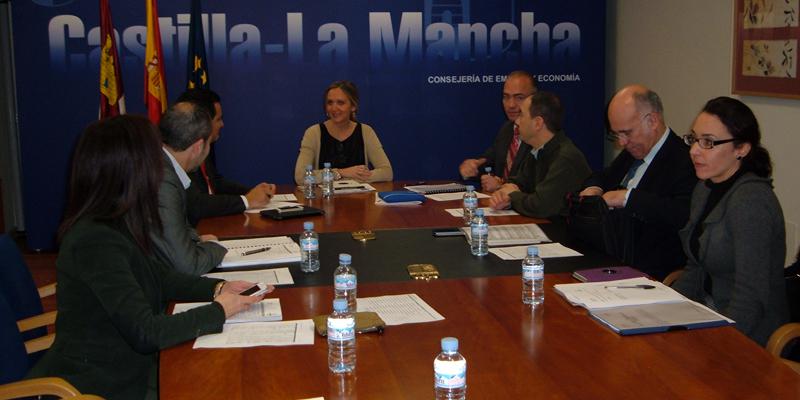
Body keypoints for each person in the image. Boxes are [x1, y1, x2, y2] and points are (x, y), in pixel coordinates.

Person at [26, 115, 264, 399]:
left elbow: (158, 277)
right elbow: (146, 332)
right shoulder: (95, 240)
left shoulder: (118, 221)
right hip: (102, 384)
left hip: (131, 368)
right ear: (131, 171)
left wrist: (218, 288)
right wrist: (219, 311)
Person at [671, 97, 788, 346]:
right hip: (708, 312)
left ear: (741, 148)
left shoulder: (751, 201)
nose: (694, 150)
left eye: (708, 142)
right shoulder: (705, 188)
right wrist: (663, 313)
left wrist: (720, 345)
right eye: (694, 139)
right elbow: (695, 267)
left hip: (749, 333)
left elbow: (750, 296)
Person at [579, 85, 696, 280]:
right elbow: (603, 176)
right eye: (616, 134)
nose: (622, 143)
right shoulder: (633, 151)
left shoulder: (684, 160)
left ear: (652, 121)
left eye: (627, 133)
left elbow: (680, 214)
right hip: (609, 256)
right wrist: (594, 188)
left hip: (650, 268)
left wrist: (627, 198)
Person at [176, 89, 276, 226]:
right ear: (203, 122)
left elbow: (216, 183)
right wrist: (246, 200)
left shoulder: (202, 148)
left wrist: (252, 192)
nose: (222, 124)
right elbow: (196, 203)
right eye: (218, 119)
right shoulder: (184, 154)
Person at [152, 101, 227, 275]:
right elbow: (188, 265)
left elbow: (176, 230)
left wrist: (195, 239)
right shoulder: (163, 180)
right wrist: (215, 247)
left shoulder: (160, 164)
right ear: (199, 147)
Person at [489, 92, 591, 218]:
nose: (517, 121)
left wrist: (512, 196)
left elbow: (540, 206)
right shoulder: (537, 150)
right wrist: (506, 193)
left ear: (538, 123)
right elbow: (519, 182)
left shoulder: (565, 158)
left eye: (522, 115)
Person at [293, 80, 393, 185]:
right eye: (330, 103)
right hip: (325, 195)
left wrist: (359, 176)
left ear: (353, 107)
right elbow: (300, 176)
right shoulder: (313, 133)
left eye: (340, 103)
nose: (334, 108)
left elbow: (387, 172)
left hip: (360, 195)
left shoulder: (366, 131)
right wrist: (341, 173)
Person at [459, 71, 537, 192]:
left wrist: (502, 186)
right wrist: (472, 167)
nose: (511, 105)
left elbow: (537, 186)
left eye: (519, 97)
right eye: (506, 97)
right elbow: (490, 160)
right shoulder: (507, 129)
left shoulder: (540, 134)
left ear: (535, 99)